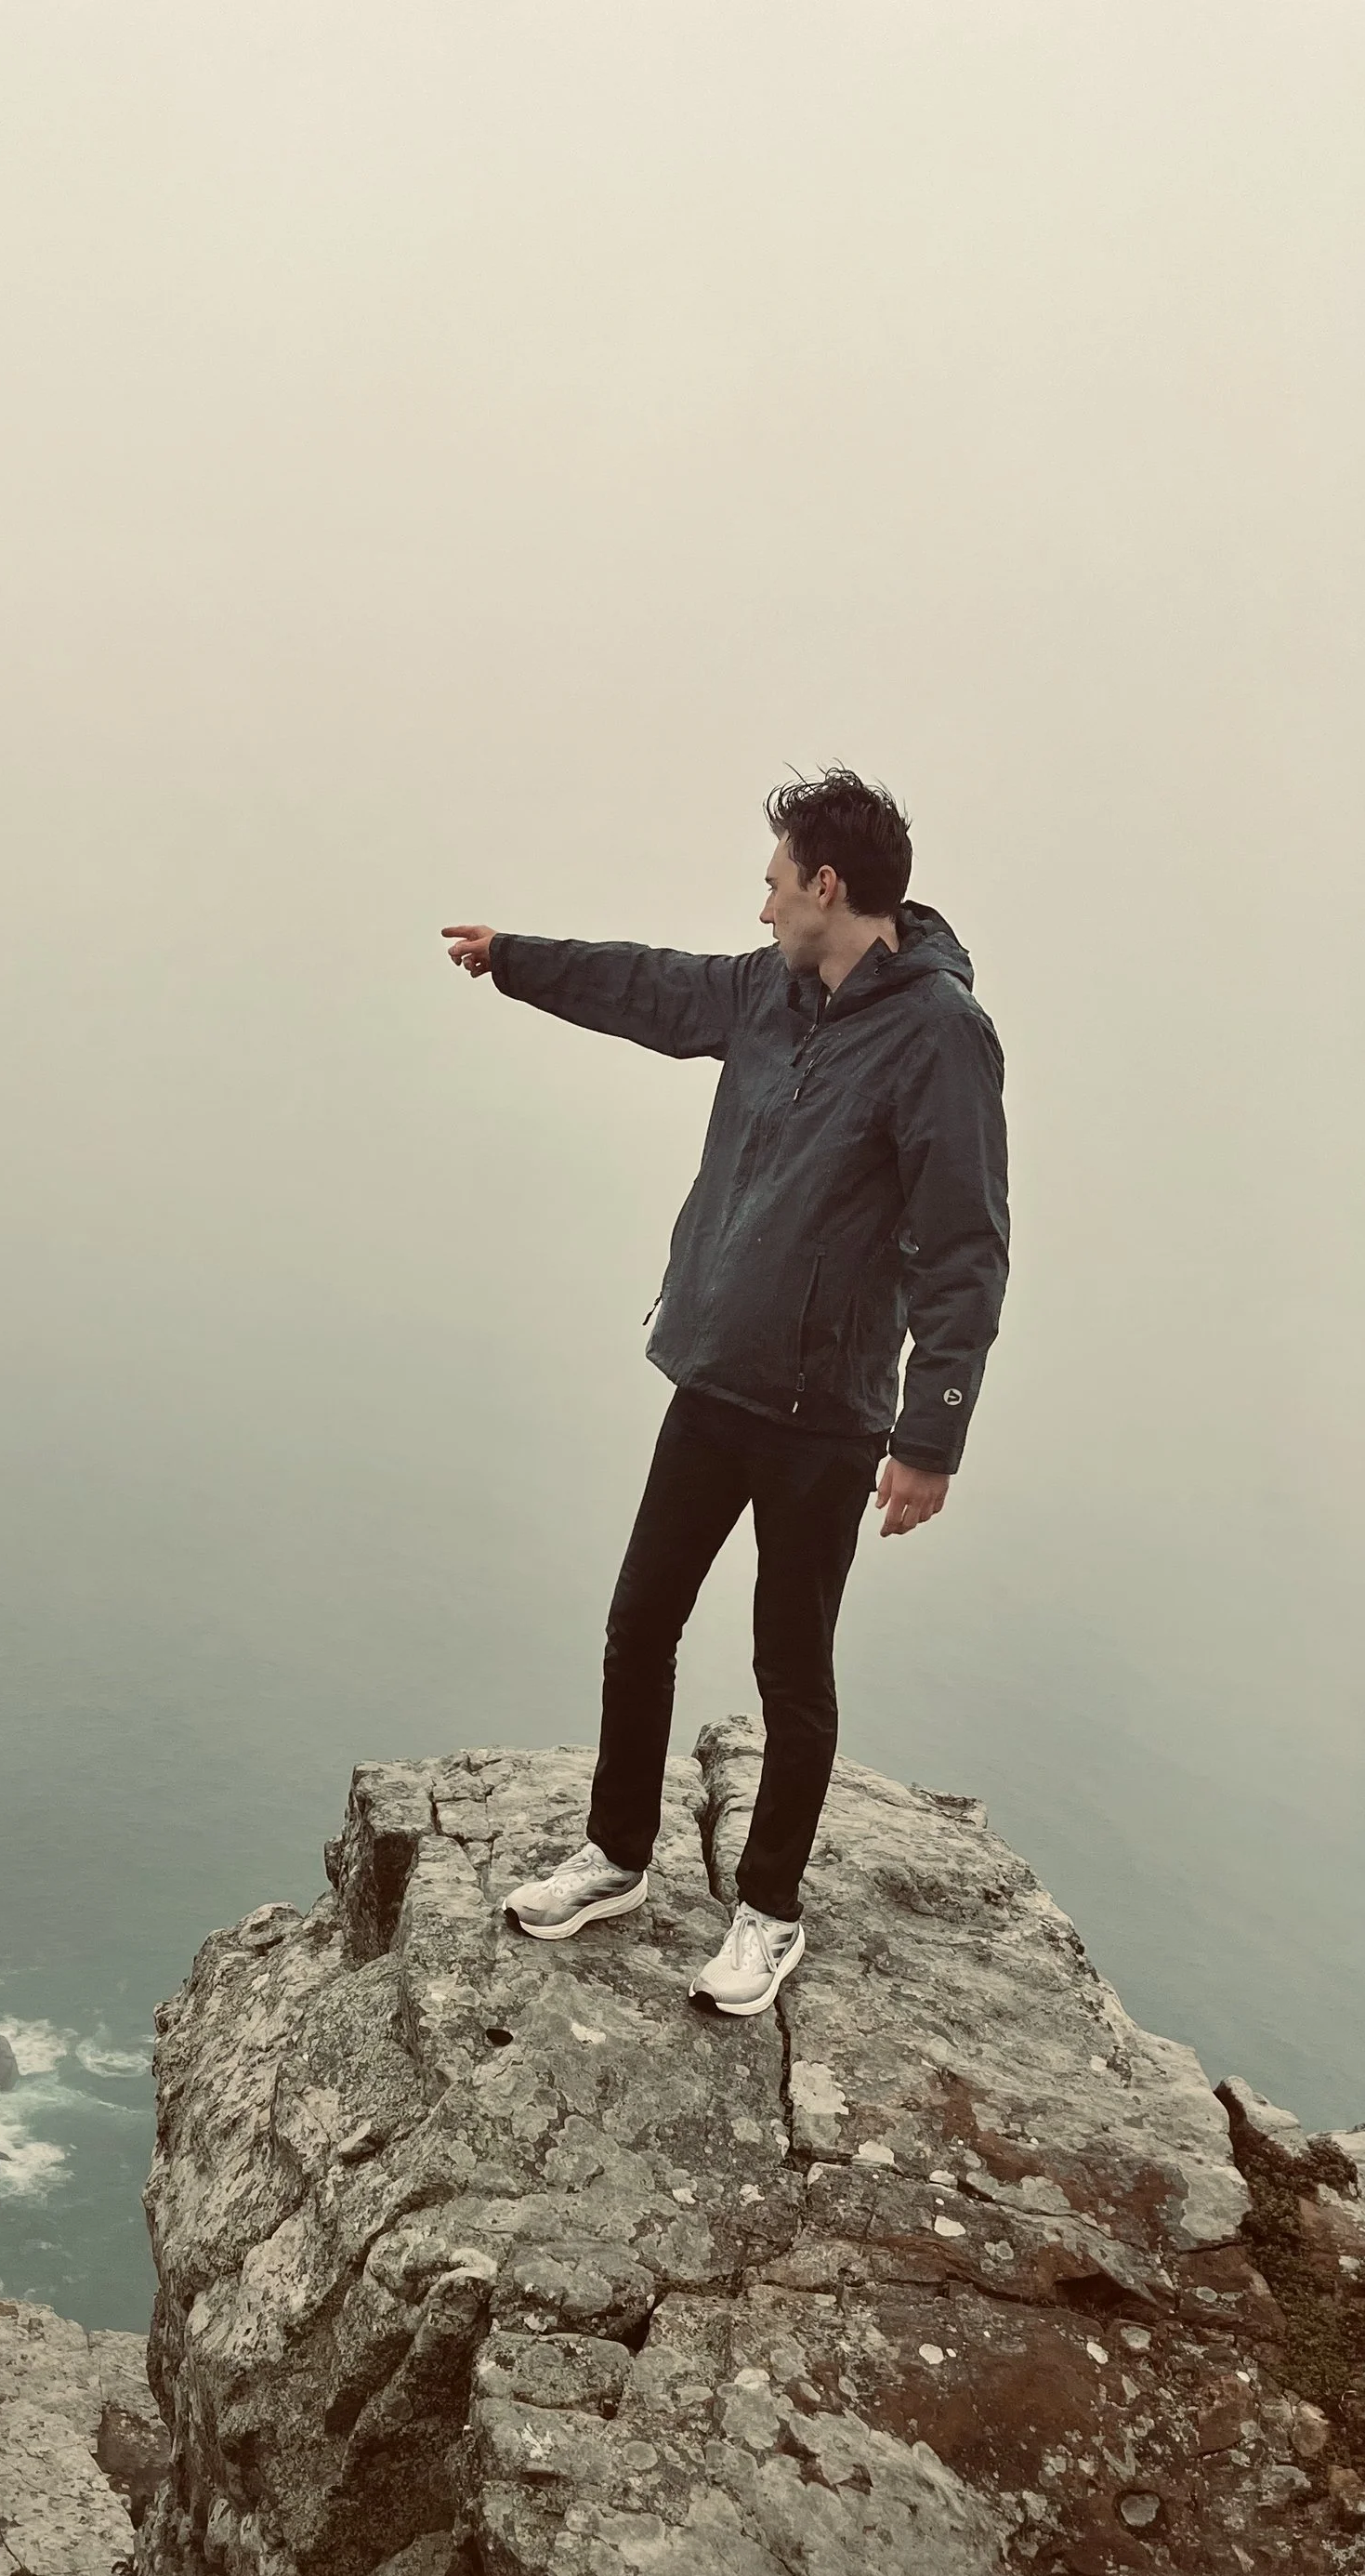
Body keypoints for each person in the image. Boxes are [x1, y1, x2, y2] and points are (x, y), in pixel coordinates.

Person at [442, 768, 1009, 2017]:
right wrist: (516, 958)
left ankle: (768, 1913)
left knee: (788, 1670)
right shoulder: (770, 992)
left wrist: (930, 1438)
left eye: (773, 883)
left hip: (828, 1415)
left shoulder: (939, 1035)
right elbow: (649, 985)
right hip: (715, 1380)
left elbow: (964, 1244)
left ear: (827, 886)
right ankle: (616, 1855)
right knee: (639, 1621)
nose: (761, 908)